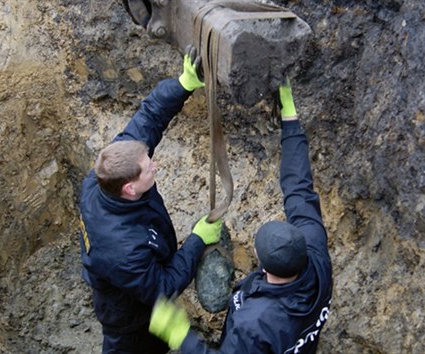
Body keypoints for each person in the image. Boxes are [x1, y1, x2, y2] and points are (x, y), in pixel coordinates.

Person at [148, 79, 333, 353]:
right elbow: (299, 188)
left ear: (264, 266)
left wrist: (182, 337)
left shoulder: (254, 323)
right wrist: (290, 121)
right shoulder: (316, 255)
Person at [78, 45, 223, 354]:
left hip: (132, 277)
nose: (154, 164)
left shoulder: (106, 172)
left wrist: (183, 85)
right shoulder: (125, 250)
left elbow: (149, 118)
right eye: (148, 168)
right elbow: (164, 286)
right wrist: (197, 240)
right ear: (130, 189)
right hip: (129, 320)